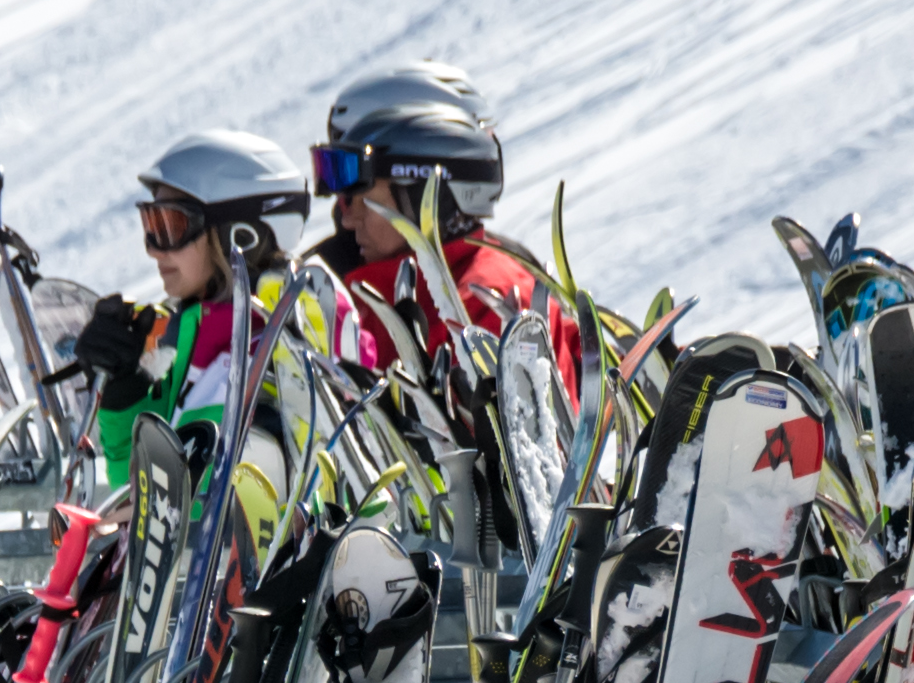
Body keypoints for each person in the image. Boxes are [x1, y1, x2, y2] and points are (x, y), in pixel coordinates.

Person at [309, 64, 582, 393]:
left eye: (359, 195)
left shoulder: (488, 307)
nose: (346, 216)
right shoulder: (367, 290)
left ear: (423, 194)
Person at [77, 128, 304, 492]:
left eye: (170, 226)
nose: (154, 249)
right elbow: (137, 491)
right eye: (151, 225)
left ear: (238, 234)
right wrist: (125, 391)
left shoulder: (294, 332)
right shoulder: (193, 337)